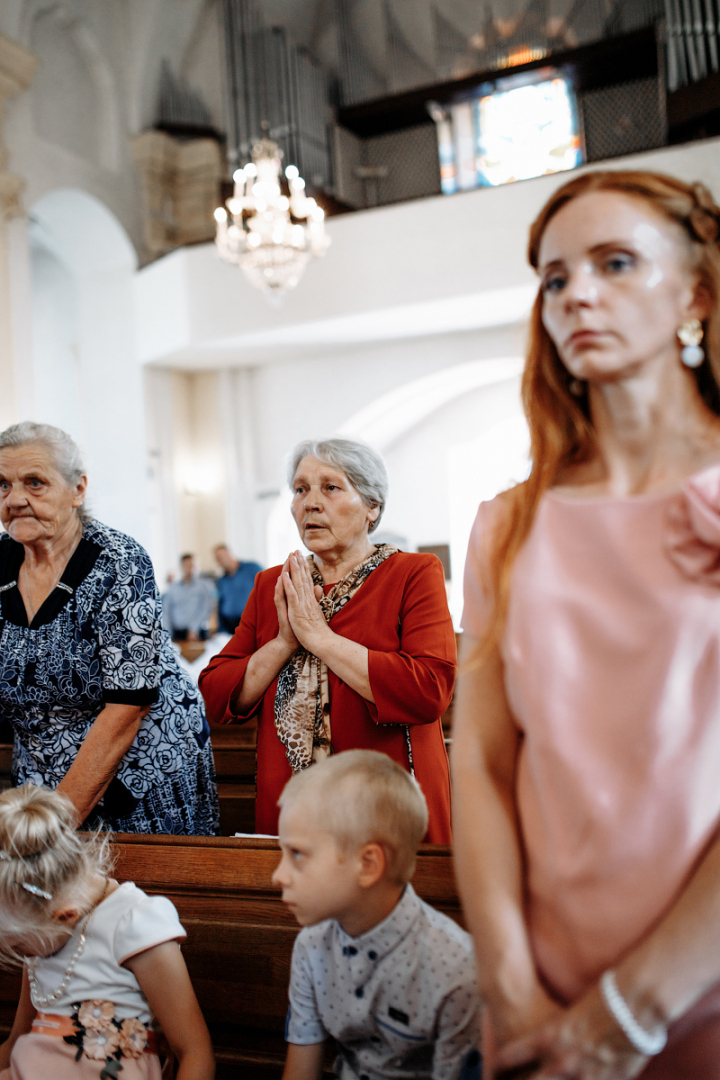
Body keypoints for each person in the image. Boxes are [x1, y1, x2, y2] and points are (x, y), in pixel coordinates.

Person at [452, 169, 720, 1080]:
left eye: (615, 263)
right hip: (541, 981)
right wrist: (508, 979)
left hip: (701, 977)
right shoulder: (508, 524)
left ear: (697, 291)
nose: (579, 296)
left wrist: (632, 1010)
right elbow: (483, 762)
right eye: (557, 278)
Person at [199, 438, 455, 841]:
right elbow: (216, 695)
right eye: (300, 490)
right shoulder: (274, 583)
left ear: (372, 507)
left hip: (386, 802)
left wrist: (319, 637)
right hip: (292, 805)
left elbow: (428, 690)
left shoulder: (413, 573)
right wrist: (284, 641)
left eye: (330, 488)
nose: (310, 503)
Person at [0, 422, 219, 835]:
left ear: (78, 490)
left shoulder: (119, 562)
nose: (15, 499)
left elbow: (127, 706)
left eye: (35, 483)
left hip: (137, 765)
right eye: (2, 484)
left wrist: (56, 825)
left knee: (129, 892)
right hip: (40, 763)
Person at [274, 750, 481, 1080]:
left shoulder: (458, 971)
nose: (278, 876)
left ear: (368, 864)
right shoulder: (311, 947)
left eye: (297, 854)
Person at [0, 784, 215, 1079]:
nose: (20, 956)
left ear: (65, 916)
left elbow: (194, 1053)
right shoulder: (39, 925)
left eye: (20, 947)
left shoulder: (134, 922)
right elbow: (15, 1043)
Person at [162, 555, 216, 642]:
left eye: (192, 565)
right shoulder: (172, 589)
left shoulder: (204, 586)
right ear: (181, 567)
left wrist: (194, 628)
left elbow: (206, 608)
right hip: (177, 633)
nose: (189, 568)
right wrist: (167, 633)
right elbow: (166, 611)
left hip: (198, 632)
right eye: (186, 565)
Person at [213, 545, 263, 635]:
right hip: (230, 626)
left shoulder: (252, 568)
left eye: (222, 556)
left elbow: (267, 588)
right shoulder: (222, 580)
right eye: (218, 559)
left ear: (229, 554)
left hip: (252, 622)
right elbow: (220, 604)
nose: (221, 561)